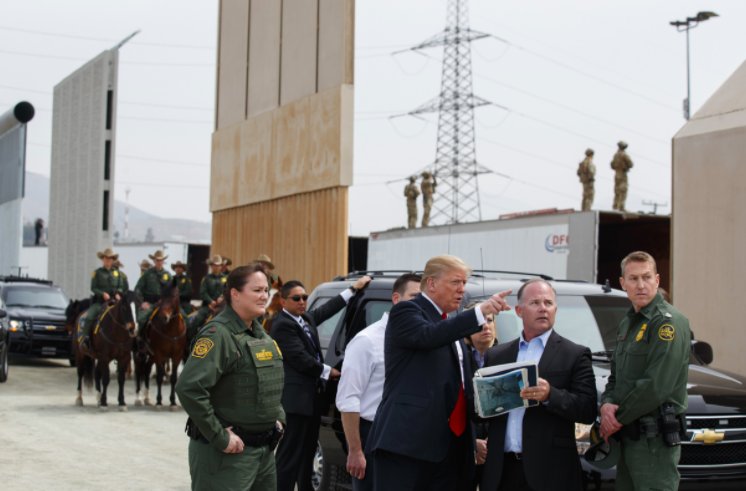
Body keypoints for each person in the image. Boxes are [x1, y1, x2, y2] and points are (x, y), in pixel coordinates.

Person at [365, 255, 511, 491]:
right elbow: (429, 336)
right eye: (455, 282)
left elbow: (459, 389)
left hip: (451, 451)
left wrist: (503, 394)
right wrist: (479, 312)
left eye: (464, 283)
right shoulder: (407, 311)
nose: (462, 289)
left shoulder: (451, 327)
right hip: (408, 447)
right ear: (431, 283)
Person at [175, 263, 285, 491]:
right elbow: (189, 388)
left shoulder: (261, 335)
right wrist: (220, 437)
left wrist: (278, 418)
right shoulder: (218, 335)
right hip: (227, 457)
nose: (264, 296)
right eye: (257, 290)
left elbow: (267, 382)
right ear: (235, 294)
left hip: (263, 454)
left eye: (266, 290)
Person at [480, 279, 597, 491]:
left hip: (550, 472)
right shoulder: (496, 355)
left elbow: (587, 409)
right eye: (535, 302)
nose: (543, 308)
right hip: (502, 471)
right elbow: (478, 411)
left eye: (548, 303)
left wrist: (551, 395)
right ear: (519, 311)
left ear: (555, 310)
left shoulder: (575, 354)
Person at [599, 251, 691, 491]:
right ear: (623, 283)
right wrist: (607, 404)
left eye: (647, 277)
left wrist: (615, 419)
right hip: (629, 438)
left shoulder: (667, 323)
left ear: (657, 280)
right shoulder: (628, 323)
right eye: (633, 278)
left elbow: (656, 386)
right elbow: (616, 376)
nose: (641, 285)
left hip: (654, 443)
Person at [272, 275, 372, 491]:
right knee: (290, 456)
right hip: (295, 404)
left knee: (307, 453)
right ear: (283, 301)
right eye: (296, 298)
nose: (302, 302)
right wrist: (329, 371)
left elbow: (327, 309)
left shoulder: (305, 319)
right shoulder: (281, 325)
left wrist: (353, 289)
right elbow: (300, 358)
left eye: (304, 297)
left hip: (311, 401)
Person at [336, 273, 422, 491]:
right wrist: (356, 450)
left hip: (410, 435)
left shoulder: (422, 338)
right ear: (396, 299)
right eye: (414, 297)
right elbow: (348, 399)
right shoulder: (367, 341)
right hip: (373, 434)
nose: (420, 304)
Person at [462, 301, 497, 490]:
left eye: (489, 320)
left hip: (497, 448)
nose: (486, 326)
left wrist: (495, 440)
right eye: (479, 323)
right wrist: (472, 442)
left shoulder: (506, 356)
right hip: (464, 448)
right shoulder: (459, 358)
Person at [81, 247, 126, 351]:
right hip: (100, 302)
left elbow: (121, 286)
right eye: (106, 258)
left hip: (114, 302)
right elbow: (93, 288)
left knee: (127, 317)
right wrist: (102, 294)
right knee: (89, 317)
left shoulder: (118, 273)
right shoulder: (97, 272)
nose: (108, 260)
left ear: (113, 260)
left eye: (110, 258)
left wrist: (118, 293)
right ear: (103, 259)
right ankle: (86, 339)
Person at [134, 249, 173, 331]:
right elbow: (137, 289)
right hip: (149, 304)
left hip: (164, 305)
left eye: (161, 260)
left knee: (183, 319)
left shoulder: (168, 275)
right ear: (154, 261)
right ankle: (138, 337)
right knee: (140, 320)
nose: (159, 262)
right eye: (157, 260)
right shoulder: (147, 274)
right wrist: (141, 302)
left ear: (163, 261)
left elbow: (173, 291)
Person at [611, 141, 633, 211]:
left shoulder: (615, 155)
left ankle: (615, 206)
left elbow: (612, 165)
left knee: (617, 190)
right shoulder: (624, 155)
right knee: (623, 190)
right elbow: (631, 164)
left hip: (616, 174)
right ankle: (621, 207)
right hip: (623, 174)